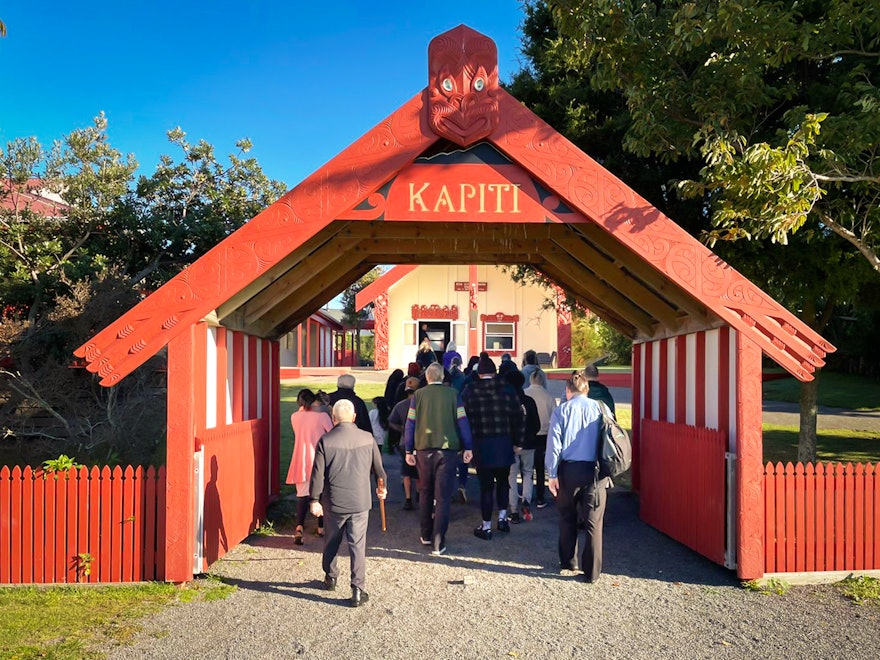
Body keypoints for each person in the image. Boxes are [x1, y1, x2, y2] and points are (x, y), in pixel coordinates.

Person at [309, 399, 387, 607]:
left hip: (334, 501)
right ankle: (358, 589)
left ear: (333, 418)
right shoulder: (367, 437)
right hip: (360, 500)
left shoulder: (325, 440)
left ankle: (331, 576)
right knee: (357, 544)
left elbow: (318, 475)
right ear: (354, 417)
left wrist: (314, 499)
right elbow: (379, 469)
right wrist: (382, 487)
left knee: (331, 540)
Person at [403, 362, 473, 555]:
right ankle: (438, 541)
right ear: (442, 377)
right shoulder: (453, 395)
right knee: (442, 496)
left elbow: (410, 424)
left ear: (427, 377)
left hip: (423, 451)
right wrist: (468, 446)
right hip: (448, 451)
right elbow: (462, 421)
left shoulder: (417, 396)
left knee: (425, 492)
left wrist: (409, 450)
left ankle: (425, 534)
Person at [546, 370, 607, 583]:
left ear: (567, 390)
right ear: (587, 389)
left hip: (569, 471)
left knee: (566, 517)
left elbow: (554, 445)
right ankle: (592, 572)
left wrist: (551, 474)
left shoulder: (562, 411)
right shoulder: (601, 408)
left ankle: (568, 561)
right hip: (595, 472)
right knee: (593, 523)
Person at [461, 355, 524, 540]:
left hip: (481, 444)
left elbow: (463, 420)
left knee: (486, 487)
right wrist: (518, 442)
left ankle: (486, 526)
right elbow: (519, 417)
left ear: (478, 373)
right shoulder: (507, 389)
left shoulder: (469, 391)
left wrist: (466, 445)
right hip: (504, 442)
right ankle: (503, 518)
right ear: (494, 372)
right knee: (503, 482)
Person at [286, 389, 333, 544]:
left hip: (300, 458)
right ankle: (321, 527)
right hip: (318, 458)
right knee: (320, 493)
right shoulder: (322, 417)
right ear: (314, 401)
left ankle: (299, 526)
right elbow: (332, 434)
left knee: (302, 495)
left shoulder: (295, 417)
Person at [505, 370, 540, 524]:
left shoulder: (506, 401)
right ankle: (526, 501)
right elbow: (537, 424)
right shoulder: (529, 401)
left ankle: (513, 510)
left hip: (511, 444)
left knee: (511, 476)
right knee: (527, 473)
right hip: (529, 443)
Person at [524, 368, 558, 508]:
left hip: (528, 434)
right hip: (544, 435)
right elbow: (554, 419)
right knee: (539, 468)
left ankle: (525, 495)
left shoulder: (525, 393)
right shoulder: (549, 397)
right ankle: (540, 497)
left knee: (526, 468)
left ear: (531, 380)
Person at [388, 377, 421, 509]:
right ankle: (419, 492)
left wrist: (401, 429)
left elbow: (391, 421)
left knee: (406, 471)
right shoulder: (422, 405)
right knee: (419, 470)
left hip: (405, 441)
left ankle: (408, 498)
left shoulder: (400, 405)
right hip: (420, 440)